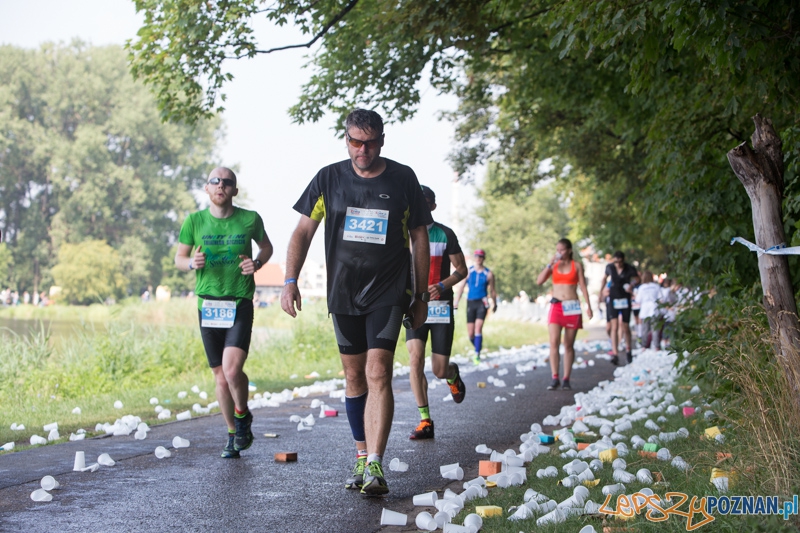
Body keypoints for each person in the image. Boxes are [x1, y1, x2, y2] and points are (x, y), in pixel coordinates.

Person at [280, 109, 431, 497]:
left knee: (378, 370)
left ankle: (377, 464)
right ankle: (361, 457)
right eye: (355, 141)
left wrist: (419, 294)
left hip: (388, 290)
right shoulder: (328, 178)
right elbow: (302, 232)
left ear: (382, 139)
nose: (363, 149)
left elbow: (418, 237)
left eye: (370, 142)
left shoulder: (403, 178)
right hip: (343, 293)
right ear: (345, 139)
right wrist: (290, 280)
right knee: (354, 377)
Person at [175, 167, 273, 459]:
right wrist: (192, 263)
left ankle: (242, 416)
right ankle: (233, 432)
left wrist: (256, 264)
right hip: (208, 304)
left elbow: (266, 248)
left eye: (227, 182)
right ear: (207, 188)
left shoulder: (249, 219)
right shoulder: (194, 221)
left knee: (232, 370)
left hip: (239, 300)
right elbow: (179, 258)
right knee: (220, 376)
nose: (220, 185)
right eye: (215, 181)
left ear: (234, 190)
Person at [406, 185, 468, 440]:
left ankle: (452, 374)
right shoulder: (403, 234)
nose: (419, 206)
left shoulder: (444, 233)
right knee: (415, 358)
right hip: (413, 305)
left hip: (440, 307)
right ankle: (425, 421)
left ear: (432, 206)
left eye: (424, 202)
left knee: (438, 370)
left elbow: (462, 270)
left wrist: (442, 285)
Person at [536, 238, 593, 390]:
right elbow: (539, 281)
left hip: (572, 306)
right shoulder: (554, 265)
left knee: (568, 345)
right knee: (554, 342)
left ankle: (566, 378)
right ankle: (555, 377)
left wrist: (589, 306)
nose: (559, 253)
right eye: (557, 250)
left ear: (569, 250)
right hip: (557, 306)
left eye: (562, 250)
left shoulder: (577, 266)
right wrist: (549, 264)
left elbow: (583, 286)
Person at [454, 249, 498, 364]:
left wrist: (495, 303)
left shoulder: (488, 274)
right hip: (470, 302)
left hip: (482, 303)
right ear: (474, 258)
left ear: (483, 258)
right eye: (476, 256)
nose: (478, 258)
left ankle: (477, 354)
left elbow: (493, 290)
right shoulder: (469, 272)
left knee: (478, 328)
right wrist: (456, 301)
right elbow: (461, 287)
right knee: (470, 333)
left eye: (480, 256)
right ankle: (477, 347)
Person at [598, 251, 639, 365]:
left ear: (623, 260)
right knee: (614, 326)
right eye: (616, 262)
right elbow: (604, 279)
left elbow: (637, 278)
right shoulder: (609, 268)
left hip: (625, 299)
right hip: (613, 299)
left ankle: (628, 349)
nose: (618, 264)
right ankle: (615, 353)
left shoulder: (630, 268)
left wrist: (631, 285)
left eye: (620, 261)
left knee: (625, 326)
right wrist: (601, 293)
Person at [635, 271, 662, 349]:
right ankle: (657, 346)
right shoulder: (656, 286)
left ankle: (644, 346)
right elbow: (661, 298)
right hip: (655, 309)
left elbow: (638, 300)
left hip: (645, 310)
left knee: (645, 329)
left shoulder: (641, 287)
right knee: (655, 329)